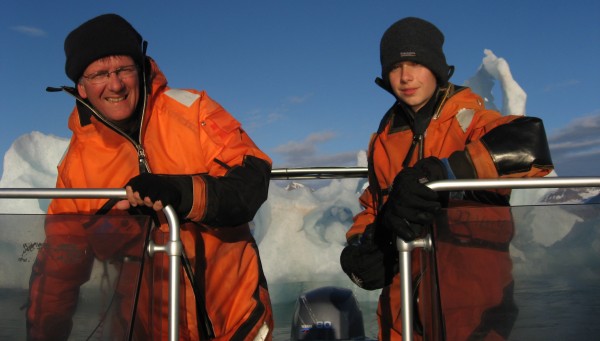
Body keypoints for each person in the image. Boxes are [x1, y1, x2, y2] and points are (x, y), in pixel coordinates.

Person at [26, 13, 273, 340]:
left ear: (140, 69)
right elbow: (60, 268)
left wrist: (182, 192)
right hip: (144, 330)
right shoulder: (77, 168)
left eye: (123, 69)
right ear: (81, 88)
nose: (114, 84)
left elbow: (252, 181)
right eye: (99, 73)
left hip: (235, 321)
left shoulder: (193, 111)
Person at [339, 17, 553, 340]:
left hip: (475, 317)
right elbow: (374, 204)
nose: (406, 76)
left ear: (435, 67)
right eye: (395, 66)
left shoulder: (469, 121)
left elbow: (531, 145)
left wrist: (446, 173)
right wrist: (363, 243)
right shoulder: (382, 142)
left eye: (415, 63)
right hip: (402, 320)